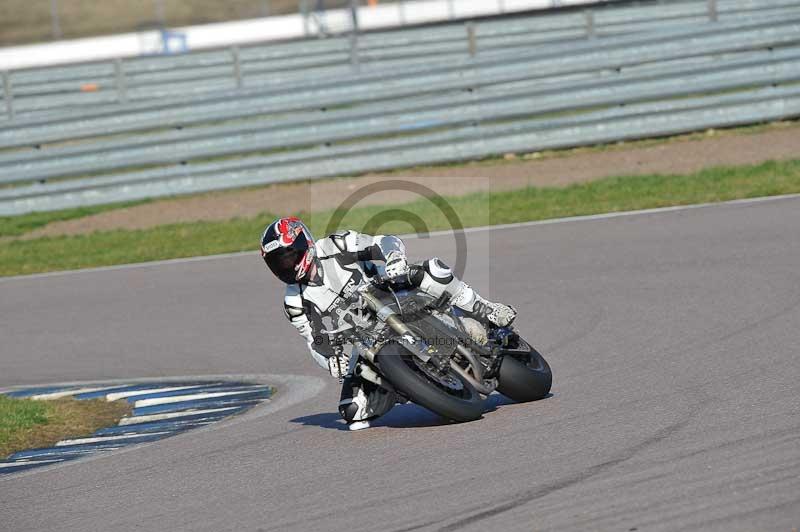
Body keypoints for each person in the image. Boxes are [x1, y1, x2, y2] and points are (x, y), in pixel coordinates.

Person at [260, 216, 516, 430]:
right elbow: (314, 340)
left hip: (392, 293)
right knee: (352, 411)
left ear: (305, 243)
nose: (287, 265)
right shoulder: (295, 302)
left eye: (290, 255)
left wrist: (394, 259)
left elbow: (384, 241)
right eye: (278, 262)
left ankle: (486, 309)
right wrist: (331, 361)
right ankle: (407, 385)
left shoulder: (336, 246)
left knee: (431, 270)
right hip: (364, 335)